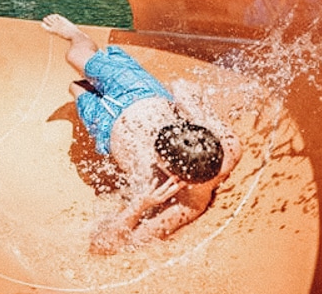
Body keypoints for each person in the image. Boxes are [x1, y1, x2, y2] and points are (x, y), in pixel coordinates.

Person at [41, 13, 241, 254]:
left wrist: (139, 206)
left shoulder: (184, 203)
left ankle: (88, 85)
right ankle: (78, 36)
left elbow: (101, 248)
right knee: (75, 55)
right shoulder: (226, 147)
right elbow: (187, 92)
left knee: (75, 87)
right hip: (140, 91)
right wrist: (192, 105)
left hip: (105, 124)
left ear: (171, 171)